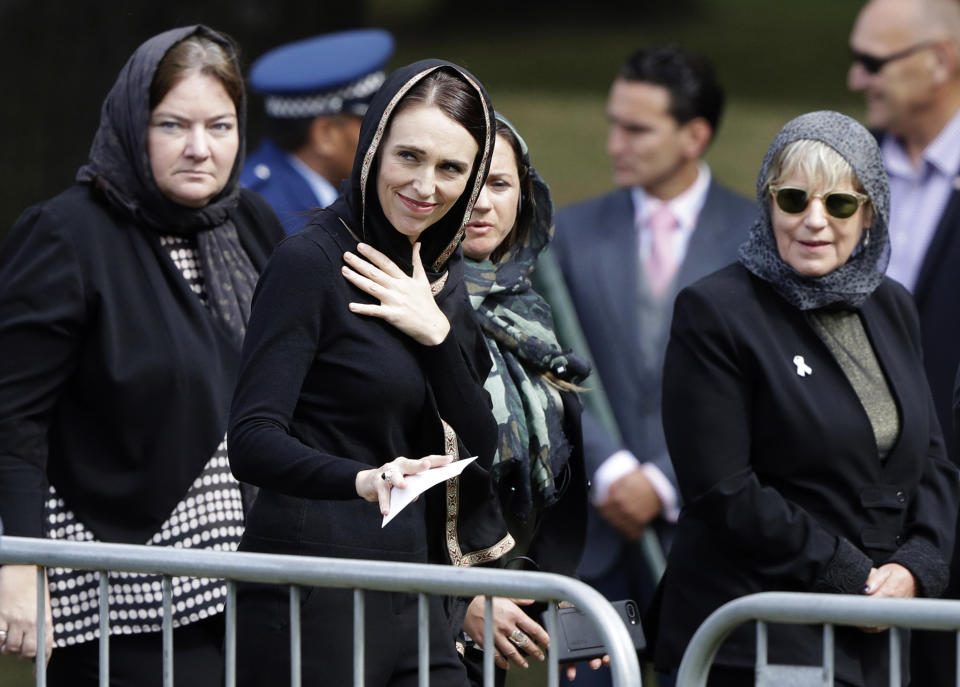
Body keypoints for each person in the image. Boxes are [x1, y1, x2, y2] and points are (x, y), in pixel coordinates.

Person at [0, 25, 285, 685]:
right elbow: (11, 416)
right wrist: (17, 561)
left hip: (252, 583)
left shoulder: (250, 224)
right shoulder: (67, 234)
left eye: (219, 125)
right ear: (133, 122)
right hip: (119, 592)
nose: (199, 148)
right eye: (172, 125)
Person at [228, 59, 513, 686]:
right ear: (372, 147)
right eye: (408, 157)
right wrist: (363, 480)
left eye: (451, 169)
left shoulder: (439, 271)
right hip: (311, 587)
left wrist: (434, 332)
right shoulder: (310, 262)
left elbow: (481, 441)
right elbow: (250, 441)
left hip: (412, 588)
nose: (426, 186)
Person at [653, 110, 960, 687]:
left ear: (869, 213)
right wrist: (851, 577)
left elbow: (934, 463)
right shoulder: (716, 310)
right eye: (793, 199)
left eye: (839, 204)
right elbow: (723, 490)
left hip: (874, 634)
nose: (814, 221)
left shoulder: (893, 305)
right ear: (769, 204)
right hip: (755, 630)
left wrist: (917, 564)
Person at [547, 44, 754, 683]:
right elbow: (548, 360)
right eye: (613, 122)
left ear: (694, 135)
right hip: (594, 536)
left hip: (707, 530)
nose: (615, 143)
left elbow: (758, 383)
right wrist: (609, 469)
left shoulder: (757, 237)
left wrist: (664, 480)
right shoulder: (567, 235)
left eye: (636, 128)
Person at [456, 114, 590, 685]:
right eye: (465, 179)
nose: (482, 203)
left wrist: (547, 585)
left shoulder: (524, 309)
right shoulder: (402, 300)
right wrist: (454, 600)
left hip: (503, 607)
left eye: (501, 184)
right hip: (422, 612)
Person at [848, 3, 960, 681]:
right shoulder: (840, 173)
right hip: (854, 511)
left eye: (874, 62)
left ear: (941, 60)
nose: (856, 78)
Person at [241, 28, 395, 234]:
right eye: (372, 123)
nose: (386, 136)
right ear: (326, 134)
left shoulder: (305, 195)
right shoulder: (267, 215)